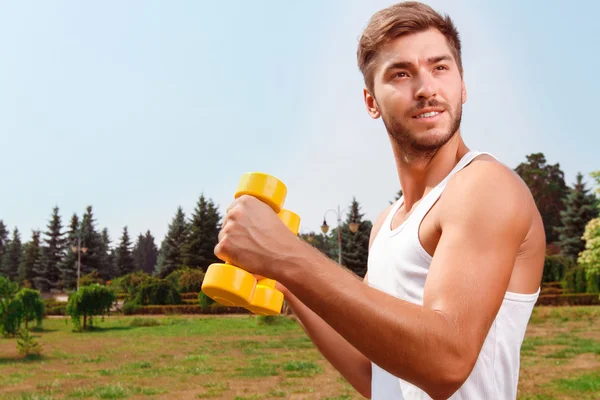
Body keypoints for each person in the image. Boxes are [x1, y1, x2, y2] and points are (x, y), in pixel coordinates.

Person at [214, 1, 545, 399]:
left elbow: (446, 362)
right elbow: (376, 372)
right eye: (401, 74)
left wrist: (287, 255)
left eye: (440, 67)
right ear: (371, 102)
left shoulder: (485, 186)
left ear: (463, 85)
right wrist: (285, 283)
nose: (426, 88)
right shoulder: (386, 226)